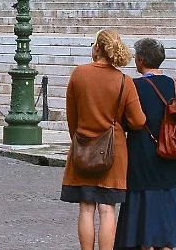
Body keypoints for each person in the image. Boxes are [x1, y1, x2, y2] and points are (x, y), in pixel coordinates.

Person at [60, 29, 147, 250]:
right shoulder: (124, 81)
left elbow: (72, 116)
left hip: (83, 147)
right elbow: (138, 121)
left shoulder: (79, 74)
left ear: (97, 48)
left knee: (86, 207)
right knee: (108, 209)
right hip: (113, 152)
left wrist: (78, 140)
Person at [119, 38, 176, 250]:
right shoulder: (175, 86)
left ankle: (146, 244)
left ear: (140, 60)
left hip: (142, 153)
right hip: (171, 153)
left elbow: (126, 121)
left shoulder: (135, 86)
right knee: (167, 203)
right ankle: (166, 244)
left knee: (142, 205)